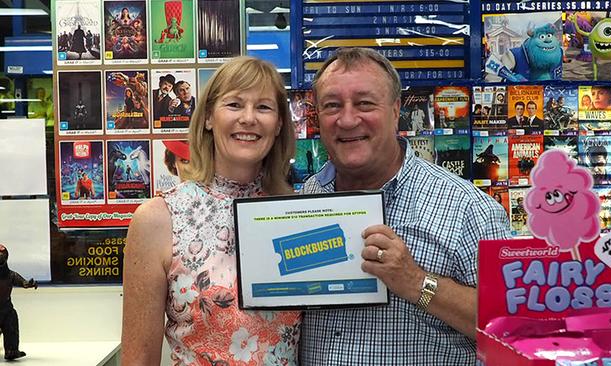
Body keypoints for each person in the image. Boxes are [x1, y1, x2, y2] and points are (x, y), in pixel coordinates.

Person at [300, 47, 510, 365]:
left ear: (396, 110)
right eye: (332, 106)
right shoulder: (307, 196)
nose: (346, 119)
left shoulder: (469, 209)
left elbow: (512, 327)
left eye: (364, 103)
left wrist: (415, 281)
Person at [121, 56, 300, 365]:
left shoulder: (297, 215)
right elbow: (138, 359)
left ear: (280, 123)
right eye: (234, 104)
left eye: (264, 107)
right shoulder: (158, 219)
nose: (248, 118)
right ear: (207, 118)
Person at [0, 244, 37, 361]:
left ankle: (12, 351)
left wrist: (28, 283)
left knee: (11, 325)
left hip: (7, 309)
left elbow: (23, 282)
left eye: (2, 254)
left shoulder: (11, 275)